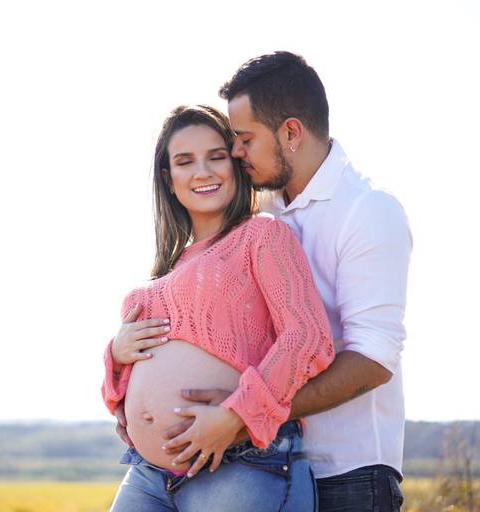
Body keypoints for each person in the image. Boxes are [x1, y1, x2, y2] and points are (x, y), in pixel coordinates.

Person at [155, 52, 413, 511]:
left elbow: (374, 358)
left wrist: (241, 411)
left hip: (348, 473)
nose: (235, 153)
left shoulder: (368, 211)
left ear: (290, 133)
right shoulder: (263, 210)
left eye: (245, 139)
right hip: (264, 462)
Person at [102, 104, 334, 511]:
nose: (203, 171)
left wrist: (236, 415)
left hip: (239, 461)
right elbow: (118, 393)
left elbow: (308, 338)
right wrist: (116, 355)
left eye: (216, 156)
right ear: (168, 178)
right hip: (149, 473)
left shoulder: (262, 236)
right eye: (185, 161)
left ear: (236, 165)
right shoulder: (162, 274)